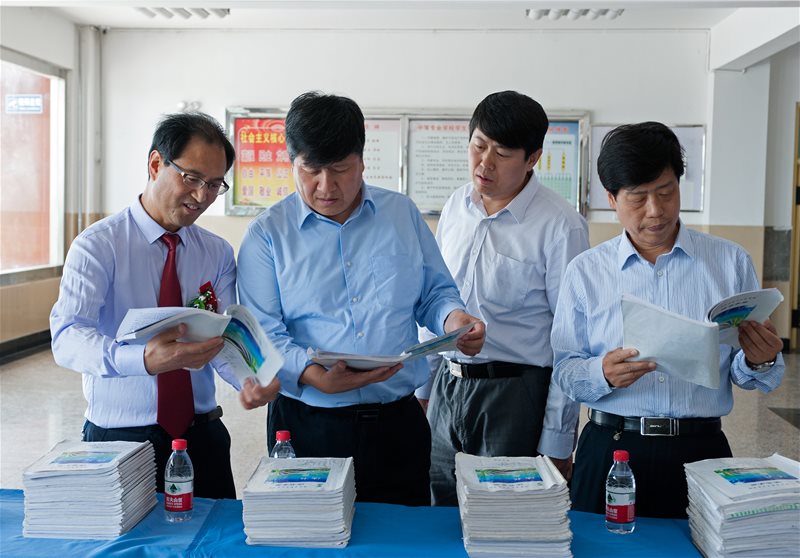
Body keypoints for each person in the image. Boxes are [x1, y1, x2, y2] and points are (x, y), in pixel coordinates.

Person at [237, 91, 486, 507]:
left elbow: (434, 294)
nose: (326, 186)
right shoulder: (267, 235)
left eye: (340, 169)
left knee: (401, 534)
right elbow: (263, 333)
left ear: (362, 161)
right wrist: (312, 374)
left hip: (396, 422)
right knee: (310, 534)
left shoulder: (401, 214)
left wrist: (454, 320)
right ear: (292, 162)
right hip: (307, 424)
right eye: (311, 170)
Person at [551, 121, 785, 519]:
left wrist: (759, 359)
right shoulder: (586, 272)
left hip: (701, 451)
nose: (655, 210)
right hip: (612, 447)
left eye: (666, 192)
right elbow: (564, 371)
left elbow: (748, 375)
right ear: (612, 198)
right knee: (602, 546)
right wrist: (601, 373)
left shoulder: (729, 263)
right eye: (638, 197)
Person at [50, 112, 280, 499]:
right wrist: (142, 360)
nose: (202, 196)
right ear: (156, 164)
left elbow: (224, 337)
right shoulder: (99, 246)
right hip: (120, 438)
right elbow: (68, 337)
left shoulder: (216, 253)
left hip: (202, 435)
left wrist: (248, 379)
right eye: (191, 178)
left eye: (214, 184)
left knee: (215, 532)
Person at [423, 91, 589, 506]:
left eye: (502, 154)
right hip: (447, 387)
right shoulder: (456, 206)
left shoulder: (560, 225)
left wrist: (558, 439)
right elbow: (435, 298)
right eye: (478, 146)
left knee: (505, 512)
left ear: (533, 158)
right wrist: (422, 392)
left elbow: (570, 340)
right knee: (438, 506)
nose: (485, 164)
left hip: (514, 394)